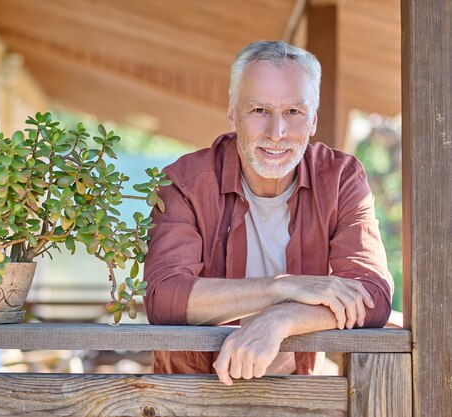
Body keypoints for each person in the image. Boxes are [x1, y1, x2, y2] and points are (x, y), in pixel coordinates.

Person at [143, 40, 393, 385]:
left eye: (294, 112)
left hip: (296, 391)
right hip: (192, 391)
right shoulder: (184, 182)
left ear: (314, 119)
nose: (277, 134)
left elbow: (372, 295)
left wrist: (279, 319)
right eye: (259, 110)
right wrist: (284, 287)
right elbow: (166, 298)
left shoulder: (340, 178)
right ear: (233, 111)